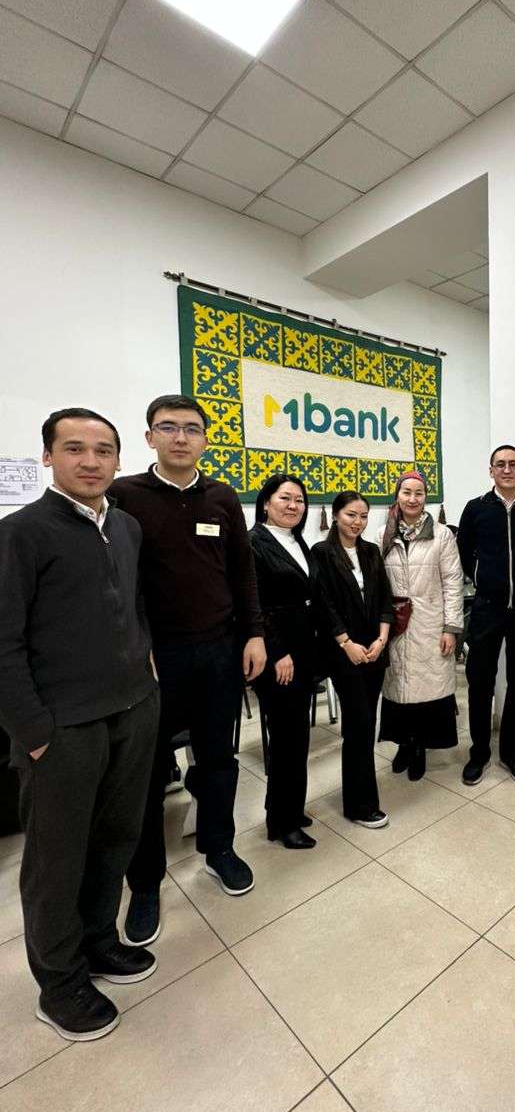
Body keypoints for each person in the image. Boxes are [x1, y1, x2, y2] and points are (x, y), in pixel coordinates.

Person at [0, 408, 160, 1041]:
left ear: (118, 458)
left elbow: (135, 608)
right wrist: (34, 732)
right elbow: (3, 643)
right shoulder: (21, 534)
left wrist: (146, 680)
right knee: (56, 861)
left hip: (132, 710)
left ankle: (98, 941)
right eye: (74, 448)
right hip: (63, 729)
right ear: (48, 456)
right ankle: (60, 982)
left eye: (103, 450)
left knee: (115, 840)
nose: (90, 461)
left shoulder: (125, 527)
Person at [110, 395, 266, 947]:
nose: (181, 437)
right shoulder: (124, 495)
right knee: (147, 774)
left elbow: (242, 571)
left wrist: (253, 633)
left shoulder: (221, 497)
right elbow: (115, 581)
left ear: (204, 439)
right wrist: (138, 644)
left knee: (218, 760)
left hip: (219, 653)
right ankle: (144, 882)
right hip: (155, 660)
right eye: (168, 428)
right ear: (149, 437)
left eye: (192, 429)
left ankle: (219, 848)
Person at [457, 446, 515, 785]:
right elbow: (463, 554)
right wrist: (483, 580)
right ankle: (479, 752)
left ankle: (512, 753)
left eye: (513, 464)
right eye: (501, 464)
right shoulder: (476, 508)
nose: (507, 469)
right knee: (480, 681)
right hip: (487, 609)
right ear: (491, 470)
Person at [250, 474, 327, 849]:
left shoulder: (297, 540)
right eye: (285, 498)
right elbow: (255, 604)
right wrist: (278, 652)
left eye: (299, 500)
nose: (293, 505)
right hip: (278, 655)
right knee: (285, 740)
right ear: (266, 502)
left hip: (303, 650)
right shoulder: (254, 542)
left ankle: (288, 809)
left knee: (297, 738)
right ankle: (283, 823)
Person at [313, 491, 393, 828]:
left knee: (366, 723)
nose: (357, 522)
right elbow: (323, 604)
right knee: (358, 725)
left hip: (374, 650)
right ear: (335, 516)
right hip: (345, 653)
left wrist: (382, 639)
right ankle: (361, 805)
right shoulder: (322, 553)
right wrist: (346, 643)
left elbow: (386, 598)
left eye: (363, 516)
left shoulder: (371, 551)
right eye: (350, 515)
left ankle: (360, 796)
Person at [377, 471, 463, 782]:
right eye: (407, 492)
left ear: (426, 497)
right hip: (396, 625)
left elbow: (453, 582)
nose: (413, 499)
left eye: (419, 493)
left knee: (427, 688)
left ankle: (420, 747)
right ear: (397, 496)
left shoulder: (442, 535)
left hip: (430, 623)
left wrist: (450, 628)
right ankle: (403, 743)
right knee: (399, 687)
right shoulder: (382, 534)